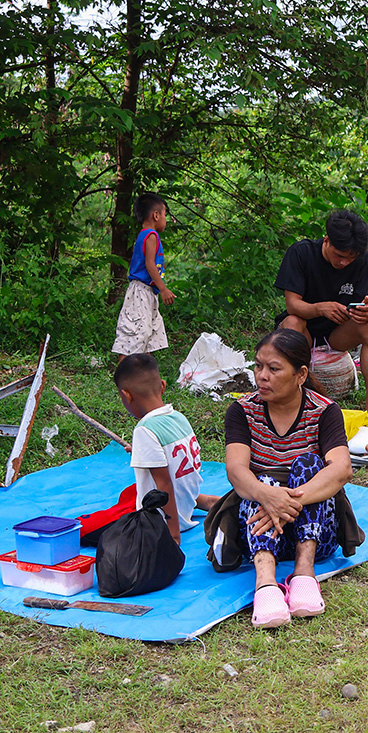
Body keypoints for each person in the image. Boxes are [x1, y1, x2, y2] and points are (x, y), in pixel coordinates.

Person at [219, 329, 363, 628]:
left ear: (300, 375)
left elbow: (342, 470)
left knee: (309, 465)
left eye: (273, 369)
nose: (262, 376)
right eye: (258, 366)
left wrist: (285, 501)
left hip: (316, 536)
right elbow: (236, 471)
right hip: (255, 535)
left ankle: (304, 573)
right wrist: (267, 495)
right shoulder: (242, 411)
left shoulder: (324, 411)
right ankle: (266, 583)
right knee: (262, 480)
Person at [274, 210, 368, 427]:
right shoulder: (301, 253)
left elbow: (367, 301)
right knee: (293, 322)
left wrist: (367, 310)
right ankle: (293, 402)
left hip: (336, 332)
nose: (344, 263)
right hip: (304, 330)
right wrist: (320, 308)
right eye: (340, 255)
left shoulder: (361, 261)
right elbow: (293, 304)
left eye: (351, 257)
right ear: (327, 240)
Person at [114, 353, 217, 545]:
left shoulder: (144, 430)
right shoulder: (179, 418)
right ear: (162, 386)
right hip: (185, 504)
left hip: (161, 521)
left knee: (93, 527)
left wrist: (173, 536)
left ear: (126, 395)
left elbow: (164, 485)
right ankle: (211, 502)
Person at [112, 193, 175, 362]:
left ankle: (141, 378)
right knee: (133, 337)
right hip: (140, 291)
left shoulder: (145, 234)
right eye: (165, 215)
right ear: (156, 215)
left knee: (146, 336)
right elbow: (149, 264)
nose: (165, 219)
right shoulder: (151, 235)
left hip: (147, 293)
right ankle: (123, 377)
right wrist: (163, 289)